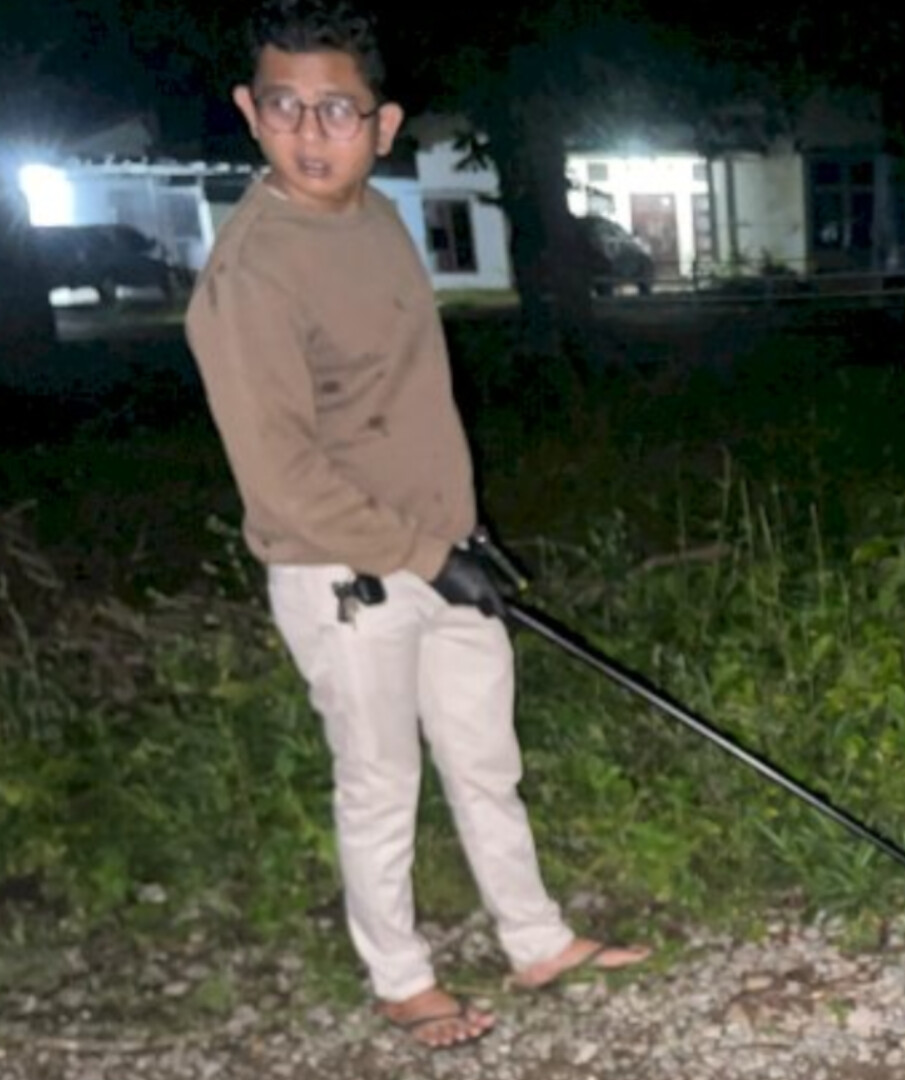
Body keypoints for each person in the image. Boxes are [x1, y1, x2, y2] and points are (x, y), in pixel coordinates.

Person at [183, 0, 648, 1051]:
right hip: (344, 577)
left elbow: (408, 402)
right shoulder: (250, 274)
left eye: (337, 110)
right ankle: (401, 980)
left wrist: (462, 536)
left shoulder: (378, 219)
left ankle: (535, 940)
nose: (311, 133)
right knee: (380, 782)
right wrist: (422, 554)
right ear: (250, 110)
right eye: (286, 107)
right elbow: (282, 477)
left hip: (445, 554)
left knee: (487, 761)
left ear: (382, 125)